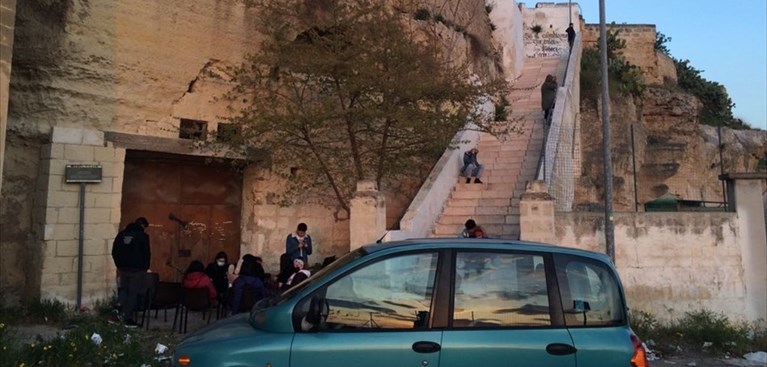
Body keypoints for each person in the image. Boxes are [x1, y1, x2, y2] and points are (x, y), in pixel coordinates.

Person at [111, 217, 151, 328]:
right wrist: (145, 267)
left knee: (124, 290)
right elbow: (146, 254)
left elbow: (114, 251)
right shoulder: (142, 237)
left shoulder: (121, 235)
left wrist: (119, 265)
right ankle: (126, 318)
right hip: (137, 270)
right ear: (142, 225)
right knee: (132, 294)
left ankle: (117, 308)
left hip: (123, 268)